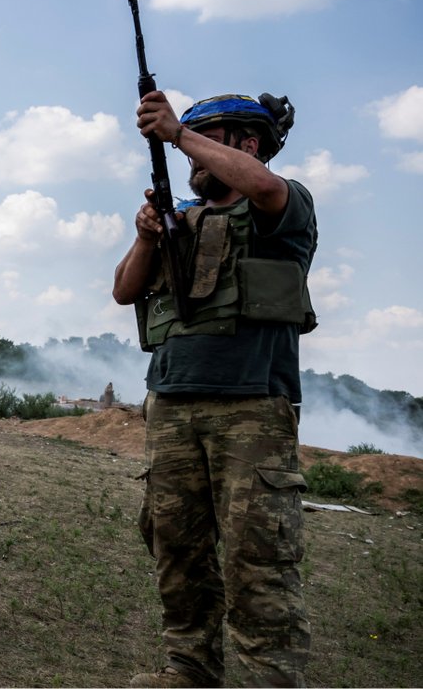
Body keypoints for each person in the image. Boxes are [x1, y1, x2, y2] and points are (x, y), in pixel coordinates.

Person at [114, 90, 315, 688]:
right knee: (177, 547)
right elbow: (126, 291)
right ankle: (189, 667)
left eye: (207, 145)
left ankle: (269, 680)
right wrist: (149, 235)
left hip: (252, 406)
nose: (192, 164)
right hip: (172, 404)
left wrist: (176, 131)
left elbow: (264, 186)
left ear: (247, 144)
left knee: (260, 558)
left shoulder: (281, 205)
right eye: (188, 149)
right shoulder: (184, 220)